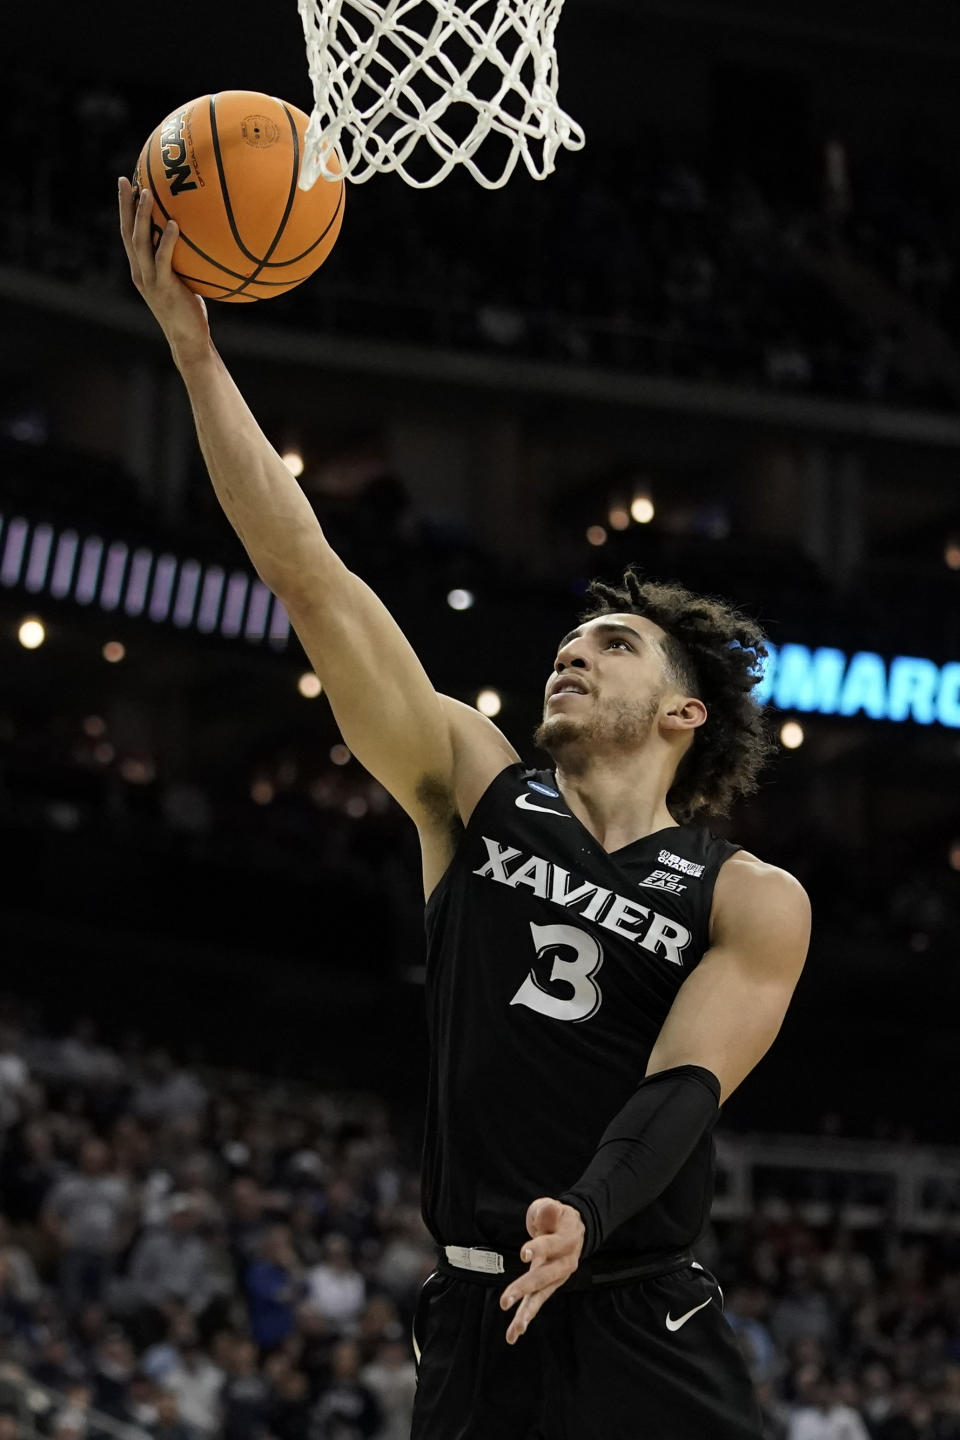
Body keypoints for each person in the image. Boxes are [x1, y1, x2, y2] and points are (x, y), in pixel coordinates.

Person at [119, 179, 812, 1440]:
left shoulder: (748, 896)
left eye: (611, 644)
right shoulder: (475, 787)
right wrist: (193, 352)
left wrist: (586, 1214)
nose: (573, 653)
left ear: (684, 713)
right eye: (571, 638)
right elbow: (310, 578)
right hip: (479, 1320)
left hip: (638, 1310)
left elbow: (681, 1091)